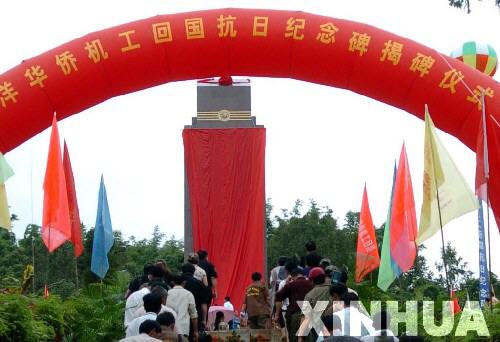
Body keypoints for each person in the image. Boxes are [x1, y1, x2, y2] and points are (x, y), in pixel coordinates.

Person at [275, 268, 314, 342]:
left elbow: (278, 297)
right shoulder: (311, 284)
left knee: (294, 338)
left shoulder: (290, 285)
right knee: (308, 338)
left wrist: (276, 315)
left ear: (292, 276)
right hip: (309, 315)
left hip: (295, 316)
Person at [298, 267, 332, 342]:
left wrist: (301, 337)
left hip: (318, 330)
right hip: (337, 327)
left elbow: (305, 318)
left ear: (312, 281)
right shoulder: (335, 290)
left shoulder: (309, 295)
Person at [167, 274, 199, 342]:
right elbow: (193, 314)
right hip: (183, 328)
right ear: (184, 282)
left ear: (172, 282)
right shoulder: (188, 294)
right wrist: (196, 331)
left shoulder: (167, 293)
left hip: (169, 329)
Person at [181, 263, 210, 329]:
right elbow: (204, 304)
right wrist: (204, 320)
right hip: (196, 315)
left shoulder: (176, 281)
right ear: (193, 272)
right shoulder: (200, 284)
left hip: (179, 316)